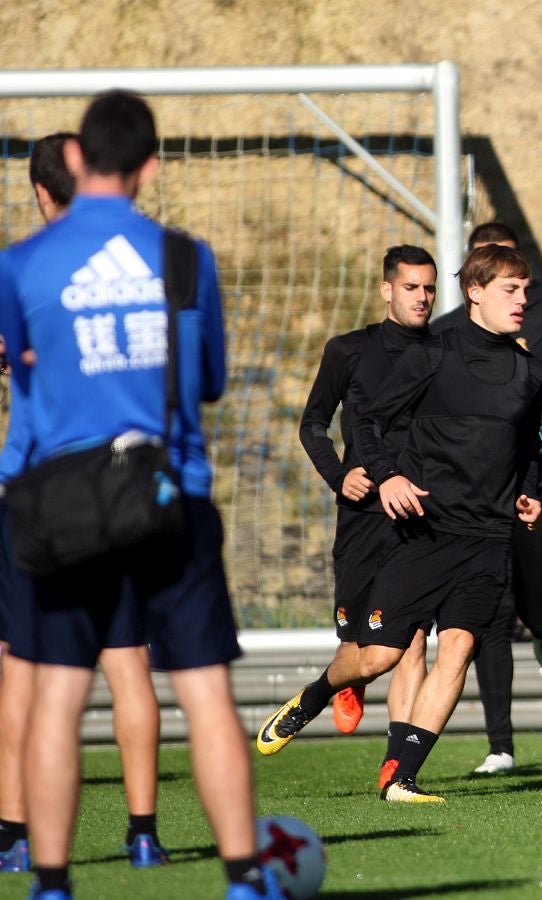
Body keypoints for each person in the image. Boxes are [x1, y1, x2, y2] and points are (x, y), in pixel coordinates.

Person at [0, 92, 275, 899]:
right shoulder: (187, 258)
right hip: (170, 492)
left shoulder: (19, 265)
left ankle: (50, 881)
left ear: (78, 160)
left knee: (56, 689)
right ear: (151, 165)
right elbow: (213, 382)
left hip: (63, 499)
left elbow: (23, 374)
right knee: (203, 691)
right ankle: (242, 878)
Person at [258, 244, 542, 804]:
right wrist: (386, 477)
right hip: (425, 531)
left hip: (488, 537)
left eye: (526, 290)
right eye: (511, 290)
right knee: (381, 657)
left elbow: (526, 447)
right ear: (476, 293)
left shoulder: (529, 370)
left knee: (458, 648)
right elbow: (368, 421)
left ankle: (401, 777)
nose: (523, 301)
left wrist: (528, 493)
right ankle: (315, 696)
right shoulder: (435, 353)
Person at [0, 131, 173, 876]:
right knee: (128, 661)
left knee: (22, 670)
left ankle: (16, 836)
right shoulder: (144, 264)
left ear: (41, 193)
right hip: (127, 483)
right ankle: (143, 834)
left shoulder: (24, 270)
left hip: (40, 487)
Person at [434, 221, 542, 776]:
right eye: (500, 277)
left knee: (533, 605)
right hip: (482, 496)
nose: (517, 291)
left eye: (520, 278)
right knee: (491, 611)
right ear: (474, 279)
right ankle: (500, 745)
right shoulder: (447, 337)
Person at [295, 245, 436, 788]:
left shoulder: (443, 352)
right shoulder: (350, 351)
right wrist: (339, 475)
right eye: (411, 288)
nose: (422, 298)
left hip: (421, 514)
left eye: (428, 289)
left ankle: (396, 768)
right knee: (359, 646)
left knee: (413, 639)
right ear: (386, 289)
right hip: (361, 515)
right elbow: (312, 424)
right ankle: (344, 680)